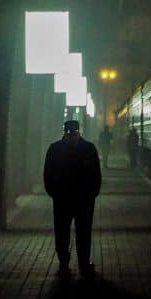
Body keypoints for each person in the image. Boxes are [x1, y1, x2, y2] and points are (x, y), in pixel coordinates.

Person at [43, 119, 102, 279]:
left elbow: (96, 174)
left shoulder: (57, 149)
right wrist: (54, 192)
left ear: (78, 132)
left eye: (74, 134)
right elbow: (48, 175)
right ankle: (64, 261)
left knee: (81, 231)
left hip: (82, 199)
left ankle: (82, 261)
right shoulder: (87, 149)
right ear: (65, 133)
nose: (72, 137)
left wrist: (92, 193)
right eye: (70, 134)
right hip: (65, 198)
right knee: (64, 231)